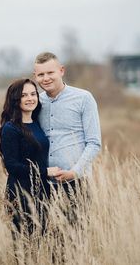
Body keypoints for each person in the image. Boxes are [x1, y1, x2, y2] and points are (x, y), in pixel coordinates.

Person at [33, 52, 101, 207]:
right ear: (35, 76)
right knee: (44, 231)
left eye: (50, 72)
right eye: (41, 74)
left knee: (76, 231)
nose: (46, 78)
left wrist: (74, 172)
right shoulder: (36, 102)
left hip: (77, 182)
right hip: (44, 184)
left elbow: (94, 143)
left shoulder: (84, 98)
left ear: (61, 71)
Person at [0, 78, 60, 236]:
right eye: (24, 95)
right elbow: (12, 166)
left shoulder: (36, 123)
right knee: (25, 245)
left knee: (41, 242)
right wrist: (46, 172)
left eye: (33, 94)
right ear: (15, 99)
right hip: (21, 193)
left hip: (42, 192)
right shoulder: (10, 128)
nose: (30, 98)